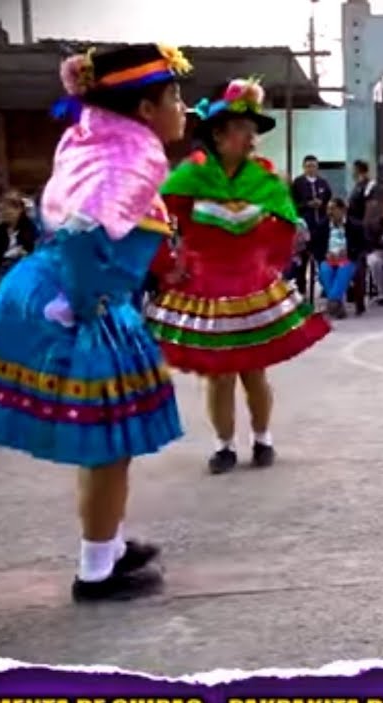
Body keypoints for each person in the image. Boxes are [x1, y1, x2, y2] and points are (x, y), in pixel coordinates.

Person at [0, 43, 192, 601]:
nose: (183, 109)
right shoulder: (135, 154)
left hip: (48, 291)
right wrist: (86, 301)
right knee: (106, 442)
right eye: (175, 96)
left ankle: (108, 546)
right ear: (146, 109)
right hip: (73, 302)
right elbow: (79, 230)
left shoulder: (92, 138)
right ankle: (96, 572)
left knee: (108, 437)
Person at [146, 78, 331, 475]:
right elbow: (155, 216)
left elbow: (286, 224)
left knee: (253, 370)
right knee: (219, 374)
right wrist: (168, 262)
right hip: (205, 286)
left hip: (251, 285)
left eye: (253, 131)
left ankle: (263, 439)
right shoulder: (191, 175)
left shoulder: (264, 178)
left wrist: (272, 259)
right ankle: (224, 446)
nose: (251, 139)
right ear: (219, 134)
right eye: (243, 130)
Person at [318, 198, 354, 319]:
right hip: (329, 259)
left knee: (343, 269)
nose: (329, 212)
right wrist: (325, 254)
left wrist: (348, 252)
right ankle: (337, 305)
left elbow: (363, 246)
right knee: (325, 270)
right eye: (328, 209)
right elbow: (314, 246)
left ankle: (332, 303)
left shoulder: (354, 225)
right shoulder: (322, 225)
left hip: (347, 259)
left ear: (342, 210)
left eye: (333, 209)